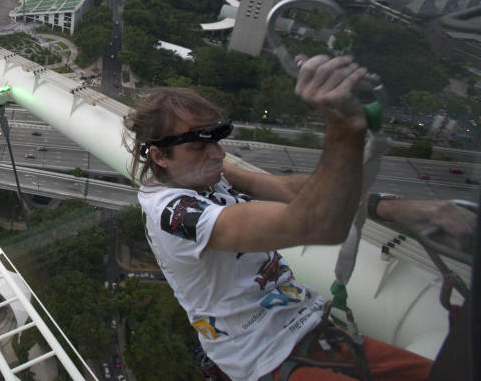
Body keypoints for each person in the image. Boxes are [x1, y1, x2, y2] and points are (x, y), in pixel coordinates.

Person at [125, 55, 473, 381]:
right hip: (268, 358)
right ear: (160, 155)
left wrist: (392, 208)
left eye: (217, 140)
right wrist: (344, 126)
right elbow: (317, 223)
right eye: (200, 146)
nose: (218, 154)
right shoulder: (173, 213)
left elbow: (292, 191)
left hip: (311, 327)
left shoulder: (204, 171)